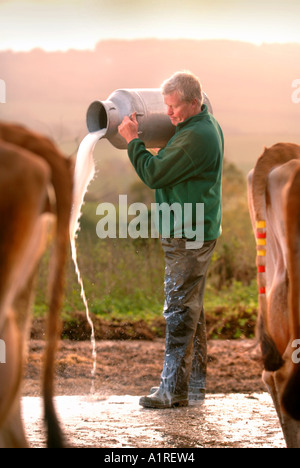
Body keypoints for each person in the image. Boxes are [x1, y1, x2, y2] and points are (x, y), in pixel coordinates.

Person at [118, 71, 224, 409]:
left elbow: (154, 173)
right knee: (192, 311)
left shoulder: (196, 136)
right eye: (165, 106)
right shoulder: (199, 127)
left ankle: (171, 390)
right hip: (194, 229)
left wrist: (134, 142)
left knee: (179, 311)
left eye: (174, 107)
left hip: (187, 233)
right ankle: (191, 387)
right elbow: (168, 162)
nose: (169, 113)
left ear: (195, 102)